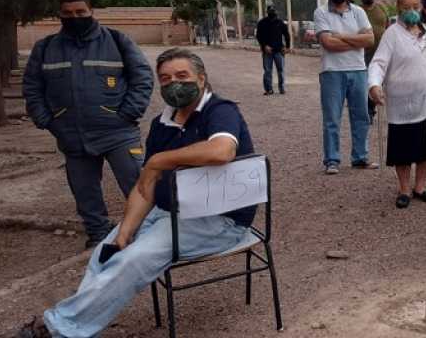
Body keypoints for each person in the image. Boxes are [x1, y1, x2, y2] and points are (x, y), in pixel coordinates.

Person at [18, 48, 256, 338]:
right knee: (107, 253)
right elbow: (146, 188)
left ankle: (55, 329)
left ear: (202, 79)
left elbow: (222, 151)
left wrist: (159, 161)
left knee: (134, 259)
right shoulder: (162, 123)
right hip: (168, 211)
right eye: (166, 79)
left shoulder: (220, 111)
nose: (174, 84)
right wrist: (125, 232)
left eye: (182, 76)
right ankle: (75, 323)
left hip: (218, 219)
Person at [22, 0, 154, 249]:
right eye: (68, 13)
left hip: (118, 133)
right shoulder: (46, 48)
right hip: (72, 135)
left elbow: (142, 79)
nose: (75, 17)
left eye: (80, 12)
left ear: (92, 12)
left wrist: (127, 114)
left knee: (137, 183)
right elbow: (32, 87)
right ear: (60, 14)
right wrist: (47, 120)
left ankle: (147, 231)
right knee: (84, 191)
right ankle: (97, 233)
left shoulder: (117, 41)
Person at [367, 0, 426, 208]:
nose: (411, 10)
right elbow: (378, 63)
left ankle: (420, 186)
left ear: (422, 7)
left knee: (425, 147)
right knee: (403, 149)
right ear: (399, 9)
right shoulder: (392, 34)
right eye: (406, 7)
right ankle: (404, 188)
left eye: (415, 6)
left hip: (425, 101)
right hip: (400, 104)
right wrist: (374, 84)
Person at [315, 0, 378, 174]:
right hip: (332, 72)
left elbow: (370, 40)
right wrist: (355, 40)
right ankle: (332, 160)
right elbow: (327, 43)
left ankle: (360, 157)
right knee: (332, 118)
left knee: (361, 116)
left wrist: (341, 36)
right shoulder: (321, 13)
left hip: (359, 70)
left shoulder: (358, 12)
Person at [361, 0, 389, 122]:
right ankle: (369, 110)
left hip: (381, 51)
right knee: (367, 81)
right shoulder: (358, 11)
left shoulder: (381, 8)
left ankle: (372, 105)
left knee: (378, 80)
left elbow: (388, 25)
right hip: (363, 52)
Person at [255, 6, 291, 95]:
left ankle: (282, 88)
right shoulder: (262, 23)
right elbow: (259, 36)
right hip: (267, 51)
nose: (272, 13)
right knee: (267, 70)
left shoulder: (280, 23)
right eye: (271, 11)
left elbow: (287, 35)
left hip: (279, 50)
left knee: (281, 70)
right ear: (267, 12)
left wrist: (287, 47)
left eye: (274, 11)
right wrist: (264, 46)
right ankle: (268, 89)